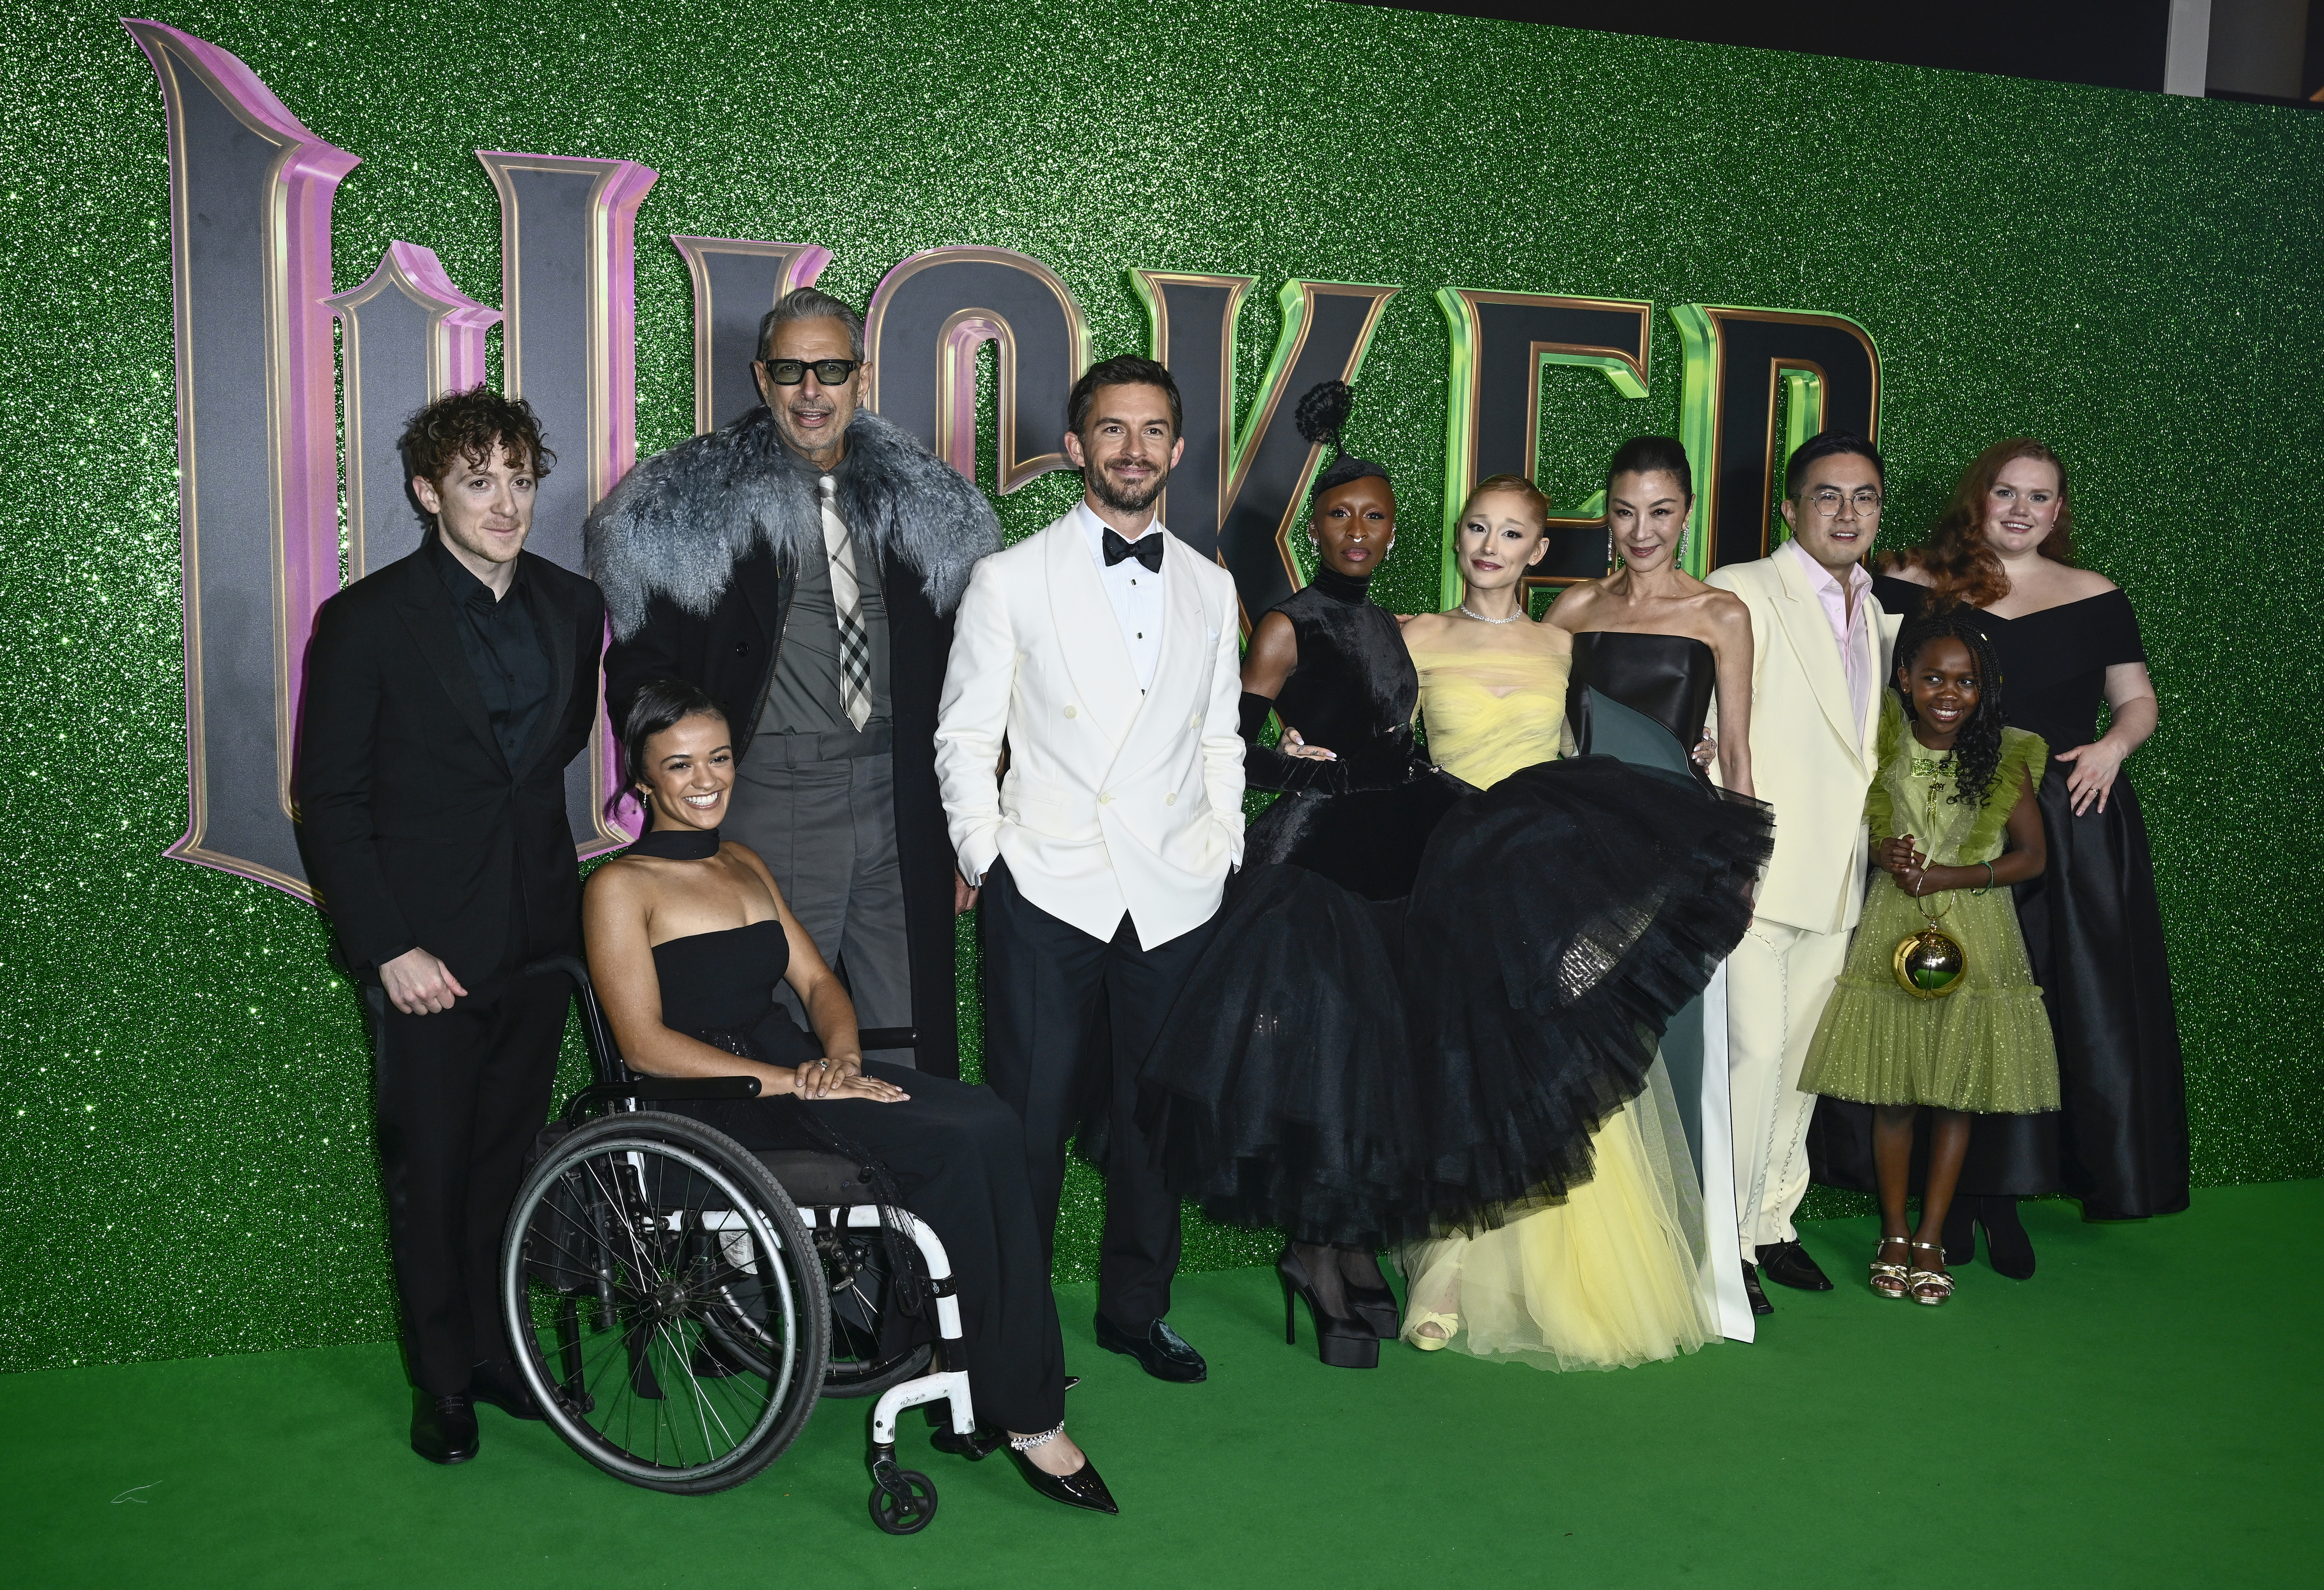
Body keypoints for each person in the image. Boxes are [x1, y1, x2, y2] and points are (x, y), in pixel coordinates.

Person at [582, 680, 1114, 1513]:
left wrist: (840, 1058)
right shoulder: (622, 886)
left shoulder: (743, 861)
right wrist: (799, 1079)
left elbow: (821, 983)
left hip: (801, 1073)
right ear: (642, 777)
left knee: (988, 1117)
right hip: (715, 1107)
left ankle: (968, 1354)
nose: (706, 779)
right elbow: (643, 1043)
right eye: (678, 764)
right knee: (959, 1141)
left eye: (719, 757)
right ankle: (1026, 1413)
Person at [1389, 473, 1773, 1369]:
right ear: (1460, 538)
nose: (1490, 546)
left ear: (1537, 550)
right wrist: (1307, 746)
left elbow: (1587, 750)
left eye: (1512, 533)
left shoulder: (1559, 646)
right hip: (1448, 876)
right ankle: (1447, 1273)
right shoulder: (1417, 635)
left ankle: (1557, 1276)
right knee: (1465, 1067)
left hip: (1550, 879)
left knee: (1559, 1070)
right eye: (1477, 528)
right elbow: (1384, 744)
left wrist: (1697, 762)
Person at [295, 387, 607, 1465]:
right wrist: (389, 947)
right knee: (430, 1168)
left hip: (536, 935)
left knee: (508, 1160)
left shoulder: (575, 605)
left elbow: (549, 759)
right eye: (480, 480)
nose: (506, 501)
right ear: (429, 492)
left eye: (520, 478)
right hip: (422, 950)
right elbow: (329, 798)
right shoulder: (368, 620)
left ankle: (495, 1353)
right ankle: (441, 1381)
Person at [587, 286, 1001, 1078]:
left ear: (861, 377)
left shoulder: (932, 508)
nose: (811, 391)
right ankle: (778, 1200)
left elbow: (974, 681)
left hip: (901, 796)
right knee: (772, 1025)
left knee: (906, 1031)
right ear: (761, 377)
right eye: (791, 370)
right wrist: (680, 782)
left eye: (830, 369)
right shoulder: (685, 508)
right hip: (767, 792)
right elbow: (639, 667)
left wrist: (965, 823)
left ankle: (903, 1198)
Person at [1139, 382, 1464, 1367]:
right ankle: (1316, 1257)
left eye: (1374, 517)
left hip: (1398, 855)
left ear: (1395, 531)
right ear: (1312, 528)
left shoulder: (1394, 624)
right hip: (1318, 866)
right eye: (1339, 516)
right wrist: (1299, 766)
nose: (1357, 531)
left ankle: (1354, 1240)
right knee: (1328, 1068)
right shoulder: (1287, 623)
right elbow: (1227, 749)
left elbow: (1391, 734)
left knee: (1383, 1066)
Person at [934, 356, 1245, 1384]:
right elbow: (965, 736)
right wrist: (990, 855)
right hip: (1051, 887)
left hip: (1174, 891)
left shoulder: (1210, 584)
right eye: (1112, 430)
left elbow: (1221, 739)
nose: (1133, 449)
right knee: (1027, 1123)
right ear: (1076, 448)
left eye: (1153, 431)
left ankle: (1135, 1309)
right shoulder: (1010, 579)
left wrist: (1223, 845)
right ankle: (1012, 1333)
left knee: (1157, 1118)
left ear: (1179, 451)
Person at [1831, 439, 2183, 1275]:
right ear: (1978, 499)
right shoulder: (1916, 582)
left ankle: (2004, 1199)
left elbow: (2136, 700)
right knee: (1938, 998)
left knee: (2050, 1007)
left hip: (2066, 818)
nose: (2021, 509)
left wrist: (2112, 750)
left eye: (2040, 496)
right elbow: (1858, 688)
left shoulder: (2096, 597)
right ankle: (1940, 1207)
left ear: (2059, 512)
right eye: (2006, 493)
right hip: (1943, 820)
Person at [1544, 434, 1762, 1341]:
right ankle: (1569, 1271)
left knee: (1672, 1052)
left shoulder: (1720, 613)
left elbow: (1739, 748)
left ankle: (1678, 1269)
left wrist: (1743, 866)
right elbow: (1524, 710)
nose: (1641, 530)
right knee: (1573, 1052)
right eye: (1625, 510)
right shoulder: (1571, 607)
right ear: (1608, 512)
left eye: (1661, 511)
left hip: (1675, 857)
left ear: (1687, 512)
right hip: (1578, 855)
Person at [1799, 607, 2058, 1305]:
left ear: (1984, 690)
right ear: (1905, 682)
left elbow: (2032, 857)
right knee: (1895, 1093)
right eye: (1933, 678)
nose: (1949, 693)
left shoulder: (2005, 755)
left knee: (1954, 1095)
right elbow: (1840, 819)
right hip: (1893, 927)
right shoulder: (1881, 744)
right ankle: (1890, 1231)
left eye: (1966, 681)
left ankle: (1932, 1236)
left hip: (1977, 929)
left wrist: (1951, 874)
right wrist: (1883, 852)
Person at [1706, 431, 1902, 1316]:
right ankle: (1722, 1241)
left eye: (1863, 497)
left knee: (1802, 1064)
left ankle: (1770, 1224)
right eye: (1827, 495)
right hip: (1755, 864)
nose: (1847, 511)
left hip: (1841, 868)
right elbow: (1706, 727)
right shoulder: (1743, 588)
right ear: (1791, 508)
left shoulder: (1878, 607)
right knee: (1752, 1054)